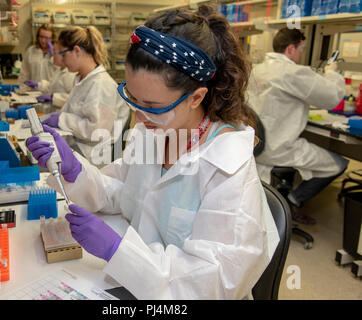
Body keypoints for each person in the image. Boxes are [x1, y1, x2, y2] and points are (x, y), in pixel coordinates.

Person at [26, 6, 279, 300]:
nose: (139, 117)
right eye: (133, 98)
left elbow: (213, 284)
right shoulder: (154, 133)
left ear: (196, 97)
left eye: (153, 106)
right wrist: (76, 171)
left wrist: (117, 251)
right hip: (135, 286)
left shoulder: (228, 167)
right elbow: (121, 193)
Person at [247, 27, 349, 225]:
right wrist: (332, 73)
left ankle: (282, 199)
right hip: (279, 147)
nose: (301, 53)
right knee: (338, 164)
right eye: (301, 48)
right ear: (291, 49)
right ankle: (293, 200)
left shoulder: (257, 69)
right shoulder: (293, 72)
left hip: (255, 145)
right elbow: (331, 96)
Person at [41, 26, 130, 165]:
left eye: (64, 54)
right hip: (78, 151)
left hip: (93, 160)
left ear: (76, 51)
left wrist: (61, 119)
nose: (62, 61)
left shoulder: (102, 85)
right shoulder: (83, 80)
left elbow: (97, 130)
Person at [25, 41, 77, 109]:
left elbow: (73, 100)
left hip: (62, 114)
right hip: (53, 111)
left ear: (64, 54)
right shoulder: (59, 70)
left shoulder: (70, 74)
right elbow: (51, 86)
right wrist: (38, 85)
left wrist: (53, 98)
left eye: (55, 53)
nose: (52, 55)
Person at [19, 24, 56, 88]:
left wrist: (53, 55)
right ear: (37, 37)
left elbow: (61, 71)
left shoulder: (58, 52)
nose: (43, 41)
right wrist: (21, 88)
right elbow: (24, 73)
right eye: (41, 37)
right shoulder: (31, 51)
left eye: (47, 38)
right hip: (33, 92)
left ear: (52, 38)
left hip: (51, 92)